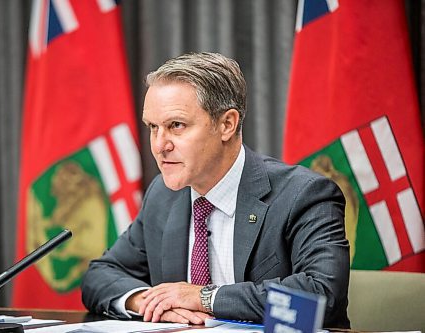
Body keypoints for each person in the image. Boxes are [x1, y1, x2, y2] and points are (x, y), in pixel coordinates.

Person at [81, 52, 350, 328]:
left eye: (176, 125)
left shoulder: (303, 195)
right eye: (153, 127)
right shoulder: (164, 196)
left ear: (226, 124)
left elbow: (322, 294)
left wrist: (204, 297)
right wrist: (150, 302)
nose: (159, 145)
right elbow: (101, 274)